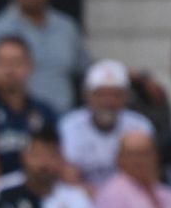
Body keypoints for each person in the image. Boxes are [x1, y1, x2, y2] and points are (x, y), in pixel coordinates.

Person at [0, 35, 57, 200]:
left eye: (16, 63)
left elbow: (54, 162)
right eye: (3, 63)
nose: (10, 70)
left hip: (39, 194)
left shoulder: (43, 111)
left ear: (30, 66)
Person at [57, 60, 155, 191]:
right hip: (84, 198)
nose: (108, 102)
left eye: (115, 95)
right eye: (101, 95)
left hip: (129, 198)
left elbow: (147, 174)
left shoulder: (140, 126)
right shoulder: (69, 126)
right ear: (87, 96)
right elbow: (68, 176)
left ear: (126, 97)